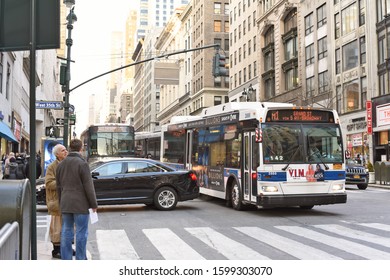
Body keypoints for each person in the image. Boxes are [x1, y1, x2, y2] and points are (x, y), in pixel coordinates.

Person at [56, 139, 98, 260]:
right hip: (80, 204)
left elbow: (58, 187)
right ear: (81, 149)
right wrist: (93, 204)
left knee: (66, 231)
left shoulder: (61, 165)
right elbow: (88, 186)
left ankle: (66, 258)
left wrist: (61, 202)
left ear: (69, 148)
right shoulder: (82, 164)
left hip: (65, 203)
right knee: (81, 232)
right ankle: (80, 258)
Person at [45, 144, 68, 259]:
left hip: (68, 201)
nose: (66, 152)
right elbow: (49, 183)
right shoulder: (51, 167)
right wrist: (63, 183)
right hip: (56, 202)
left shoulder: (68, 164)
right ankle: (57, 250)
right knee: (57, 227)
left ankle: (67, 248)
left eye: (65, 150)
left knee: (67, 226)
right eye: (63, 150)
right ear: (57, 154)